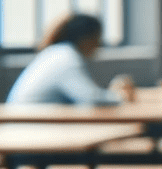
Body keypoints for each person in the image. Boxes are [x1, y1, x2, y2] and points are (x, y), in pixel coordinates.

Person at [7, 13, 136, 105]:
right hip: (29, 131)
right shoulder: (66, 57)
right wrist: (120, 97)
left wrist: (110, 95)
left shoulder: (56, 53)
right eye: (97, 38)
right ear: (86, 38)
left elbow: (85, 96)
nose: (99, 45)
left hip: (28, 126)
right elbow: (90, 100)